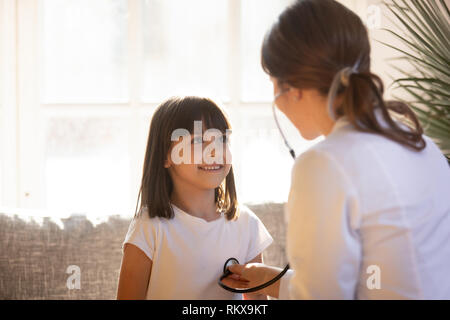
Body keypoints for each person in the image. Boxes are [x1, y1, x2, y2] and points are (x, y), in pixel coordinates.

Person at [222, 0, 450, 299]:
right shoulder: (419, 143)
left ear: (292, 89)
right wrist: (273, 279)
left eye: (273, 83)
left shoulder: (323, 165)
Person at [116, 96, 273, 300]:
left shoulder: (247, 224)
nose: (214, 151)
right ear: (165, 155)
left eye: (222, 139)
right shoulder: (149, 228)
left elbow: (257, 303)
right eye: (198, 140)